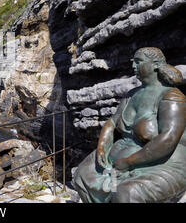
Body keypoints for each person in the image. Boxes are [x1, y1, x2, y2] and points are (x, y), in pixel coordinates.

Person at [73, 47, 186, 203]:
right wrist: (102, 147)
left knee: (126, 192)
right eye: (133, 62)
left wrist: (129, 162)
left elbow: (169, 138)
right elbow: (113, 122)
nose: (133, 66)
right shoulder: (131, 94)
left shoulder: (172, 96)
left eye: (138, 62)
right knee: (82, 174)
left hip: (161, 165)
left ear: (155, 65)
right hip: (119, 163)